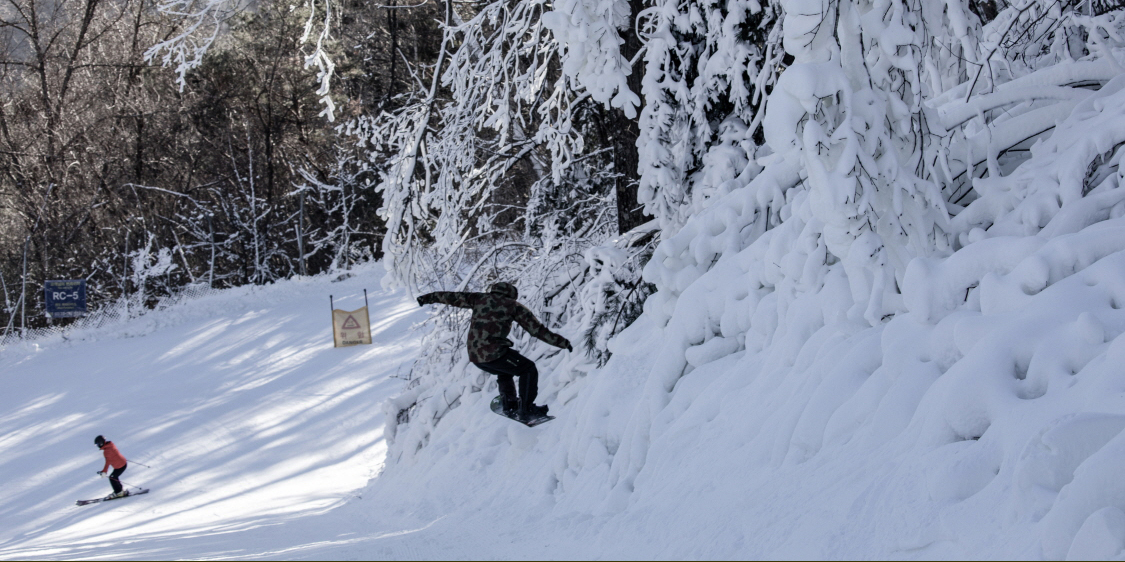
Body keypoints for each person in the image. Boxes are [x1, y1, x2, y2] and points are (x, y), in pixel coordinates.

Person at [416, 282, 572, 421]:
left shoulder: (478, 298)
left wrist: (426, 298)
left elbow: (450, 297)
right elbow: (537, 330)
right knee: (528, 369)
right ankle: (526, 409)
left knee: (505, 371)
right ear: (512, 295)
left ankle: (509, 403)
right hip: (494, 353)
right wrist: (563, 343)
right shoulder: (513, 306)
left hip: (476, 357)